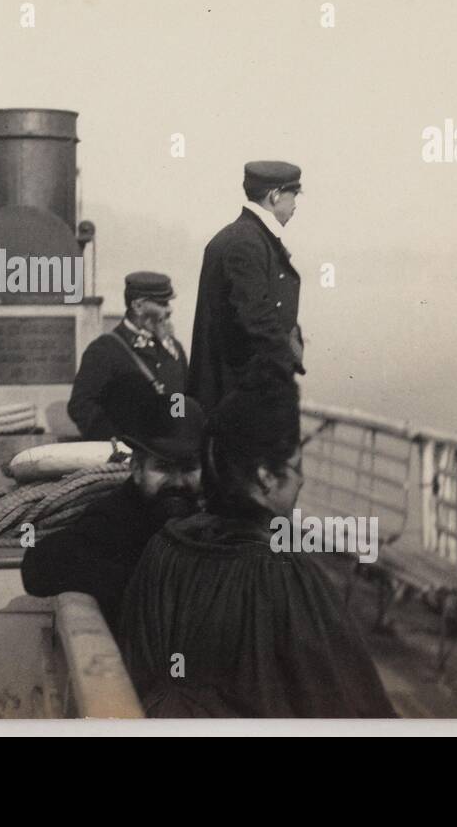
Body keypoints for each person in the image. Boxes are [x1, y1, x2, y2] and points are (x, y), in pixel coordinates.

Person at [119, 360, 396, 718]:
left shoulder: (164, 549)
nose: (302, 481)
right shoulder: (282, 574)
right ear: (266, 477)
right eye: (296, 466)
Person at [22, 375, 205, 629]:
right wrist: (142, 581)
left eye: (188, 468)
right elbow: (38, 568)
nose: (176, 482)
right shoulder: (115, 516)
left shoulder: (214, 515)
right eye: (163, 467)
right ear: (137, 468)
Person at [187, 161, 305, 414]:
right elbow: (255, 316)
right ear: (275, 196)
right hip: (240, 397)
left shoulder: (244, 236)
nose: (295, 205)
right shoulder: (247, 242)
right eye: (293, 195)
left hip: (235, 392)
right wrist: (285, 366)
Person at [68, 271, 188, 440]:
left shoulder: (174, 348)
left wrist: (177, 431)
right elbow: (80, 406)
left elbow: (179, 396)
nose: (169, 309)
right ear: (138, 306)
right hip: (128, 458)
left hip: (170, 453)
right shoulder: (104, 350)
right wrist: (120, 438)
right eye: (163, 303)